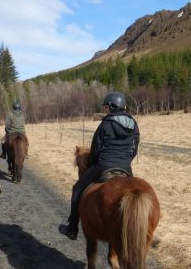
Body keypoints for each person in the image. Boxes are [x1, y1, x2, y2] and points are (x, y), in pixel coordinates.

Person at [58, 91, 139, 240]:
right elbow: (134, 149)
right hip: (126, 167)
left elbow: (96, 149)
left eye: (106, 107)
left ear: (112, 107)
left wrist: (94, 163)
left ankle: (72, 228)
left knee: (77, 189)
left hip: (103, 165)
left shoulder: (105, 124)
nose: (105, 110)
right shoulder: (134, 124)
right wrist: (126, 161)